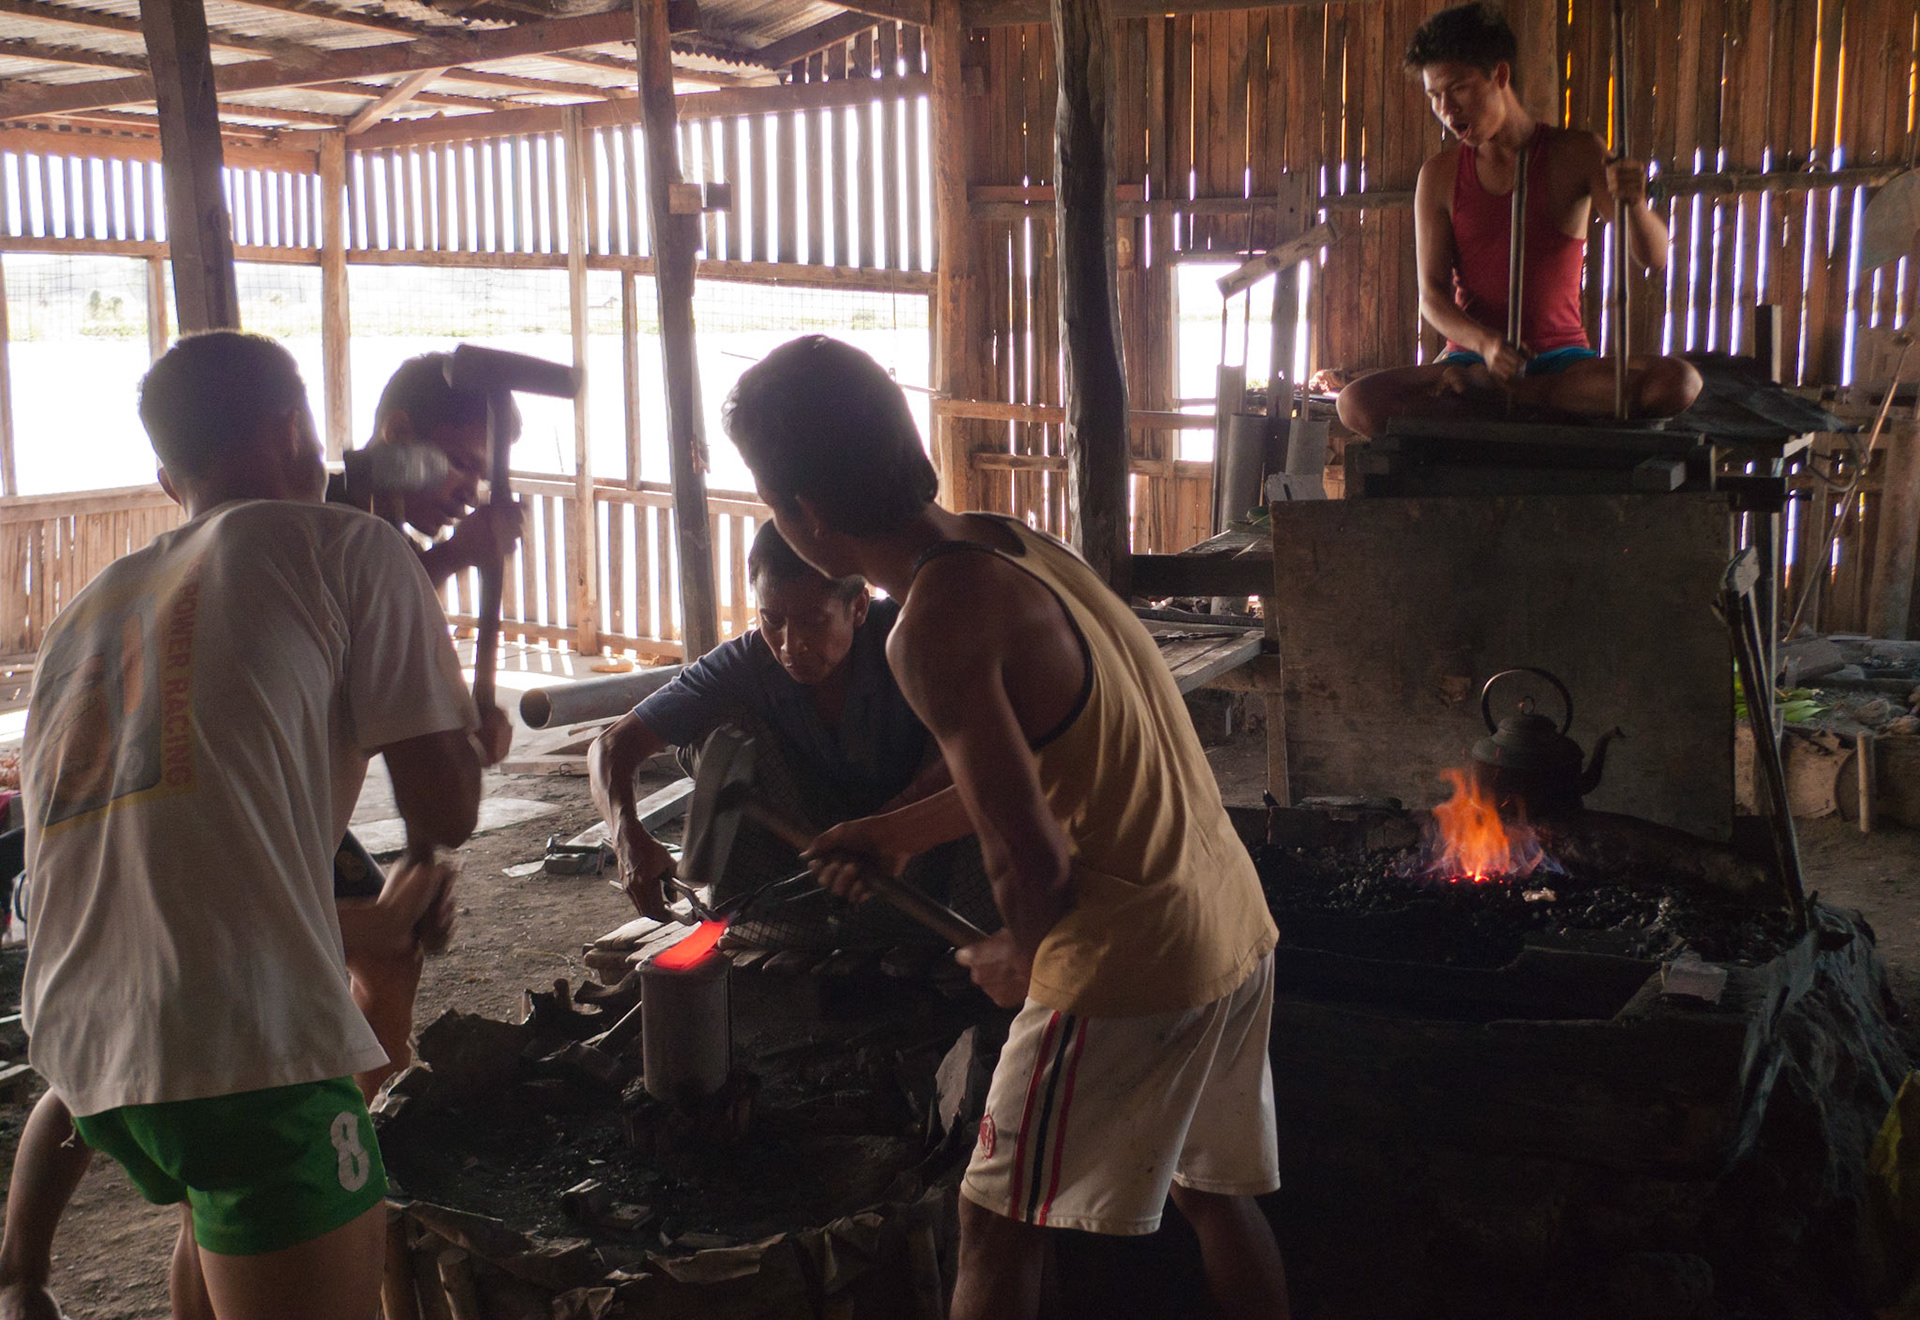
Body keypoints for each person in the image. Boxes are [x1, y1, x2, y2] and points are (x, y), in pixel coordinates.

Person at [722, 336, 1290, 1320]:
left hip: (1132, 960)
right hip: (1232, 922)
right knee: (1213, 1194)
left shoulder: (931, 626)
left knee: (993, 1225)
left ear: (807, 517)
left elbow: (1033, 857)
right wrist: (901, 829)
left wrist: (1017, 949)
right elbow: (1067, 766)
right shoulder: (1008, 543)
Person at [8, 331, 496, 1320]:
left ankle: (18, 1269)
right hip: (245, 1046)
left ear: (166, 474)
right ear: (292, 430)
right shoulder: (351, 547)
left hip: (81, 1048)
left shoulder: (88, 610)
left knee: (213, 1209)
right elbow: (447, 807)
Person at [590, 521, 992, 949]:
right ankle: (780, 931)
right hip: (815, 864)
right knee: (717, 735)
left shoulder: (913, 637)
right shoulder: (745, 663)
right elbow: (612, 746)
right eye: (772, 620)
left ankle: (979, 944)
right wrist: (626, 833)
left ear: (857, 607)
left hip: (931, 845)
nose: (789, 645)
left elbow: (999, 752)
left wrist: (896, 825)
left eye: (813, 622)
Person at [1334, 2, 1702, 437]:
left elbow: (1654, 258)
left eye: (1459, 89)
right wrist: (1486, 345)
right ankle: (1508, 401)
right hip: (1473, 361)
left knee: (1679, 382)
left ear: (1500, 76)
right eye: (1435, 96)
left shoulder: (1577, 153)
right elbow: (1432, 298)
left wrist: (1635, 205)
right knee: (1356, 402)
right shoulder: (1439, 175)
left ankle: (1507, 401)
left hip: (1563, 368)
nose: (1447, 110)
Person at [330, 352, 523, 589]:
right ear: (399, 432)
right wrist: (454, 555)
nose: (471, 496)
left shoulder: (398, 546)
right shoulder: (325, 522)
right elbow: (373, 608)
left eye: (483, 479)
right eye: (459, 463)